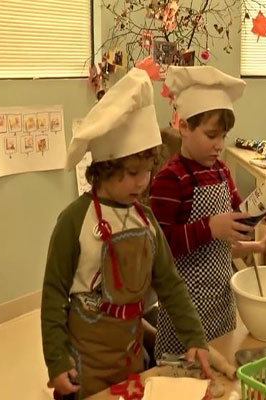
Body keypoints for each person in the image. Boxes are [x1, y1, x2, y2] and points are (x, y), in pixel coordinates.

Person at [41, 68, 212, 399]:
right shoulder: (74, 221)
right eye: (133, 173)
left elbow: (171, 284)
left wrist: (194, 337)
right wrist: (56, 361)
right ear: (104, 168)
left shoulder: (145, 221)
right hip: (83, 362)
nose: (142, 182)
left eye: (148, 172)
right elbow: (53, 295)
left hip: (130, 357)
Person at [150, 66, 266, 360]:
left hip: (221, 305)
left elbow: (227, 237)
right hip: (185, 312)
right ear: (184, 126)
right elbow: (159, 248)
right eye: (211, 135)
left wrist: (256, 233)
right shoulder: (170, 180)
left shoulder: (222, 172)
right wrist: (208, 227)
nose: (220, 145)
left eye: (223, 136)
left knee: (220, 372)